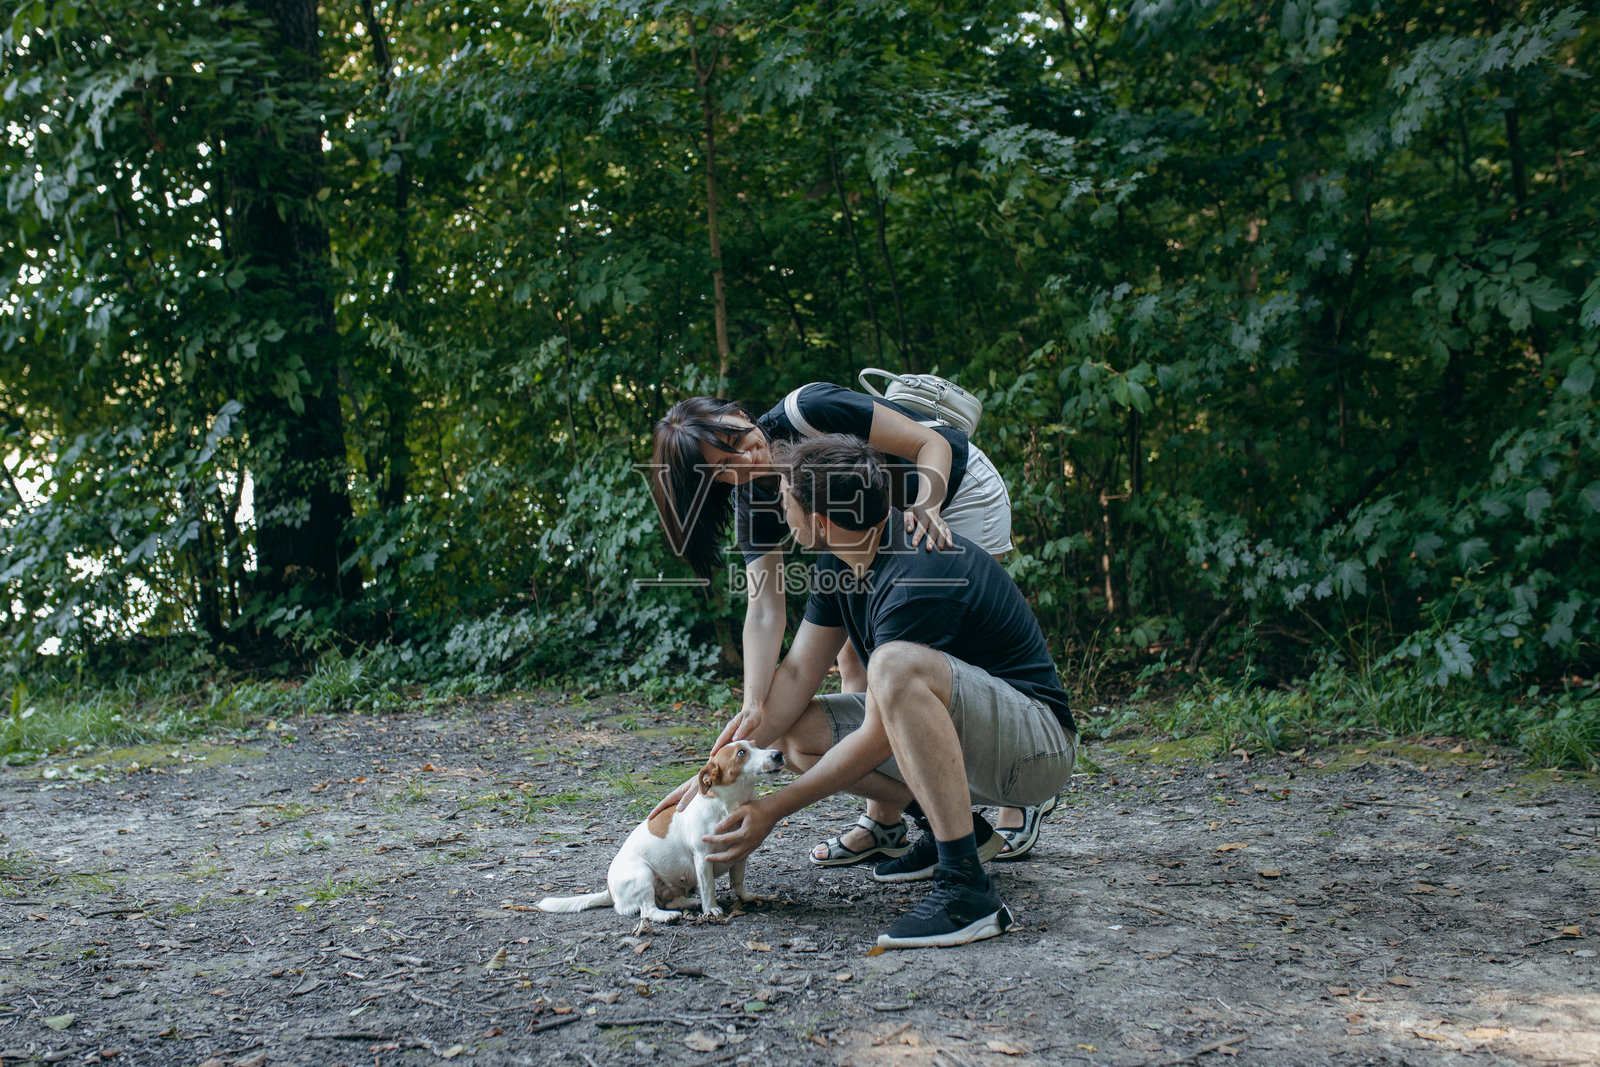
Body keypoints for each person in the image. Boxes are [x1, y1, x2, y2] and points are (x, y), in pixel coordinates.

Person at [652, 434, 1077, 948]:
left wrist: (773, 809)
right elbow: (794, 674)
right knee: (793, 733)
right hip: (972, 736)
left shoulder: (918, 568)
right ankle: (962, 832)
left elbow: (878, 735)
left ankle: (966, 887)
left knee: (894, 667)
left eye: (787, 500)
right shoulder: (843, 557)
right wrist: (709, 771)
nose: (780, 511)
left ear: (822, 520)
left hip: (1035, 749)